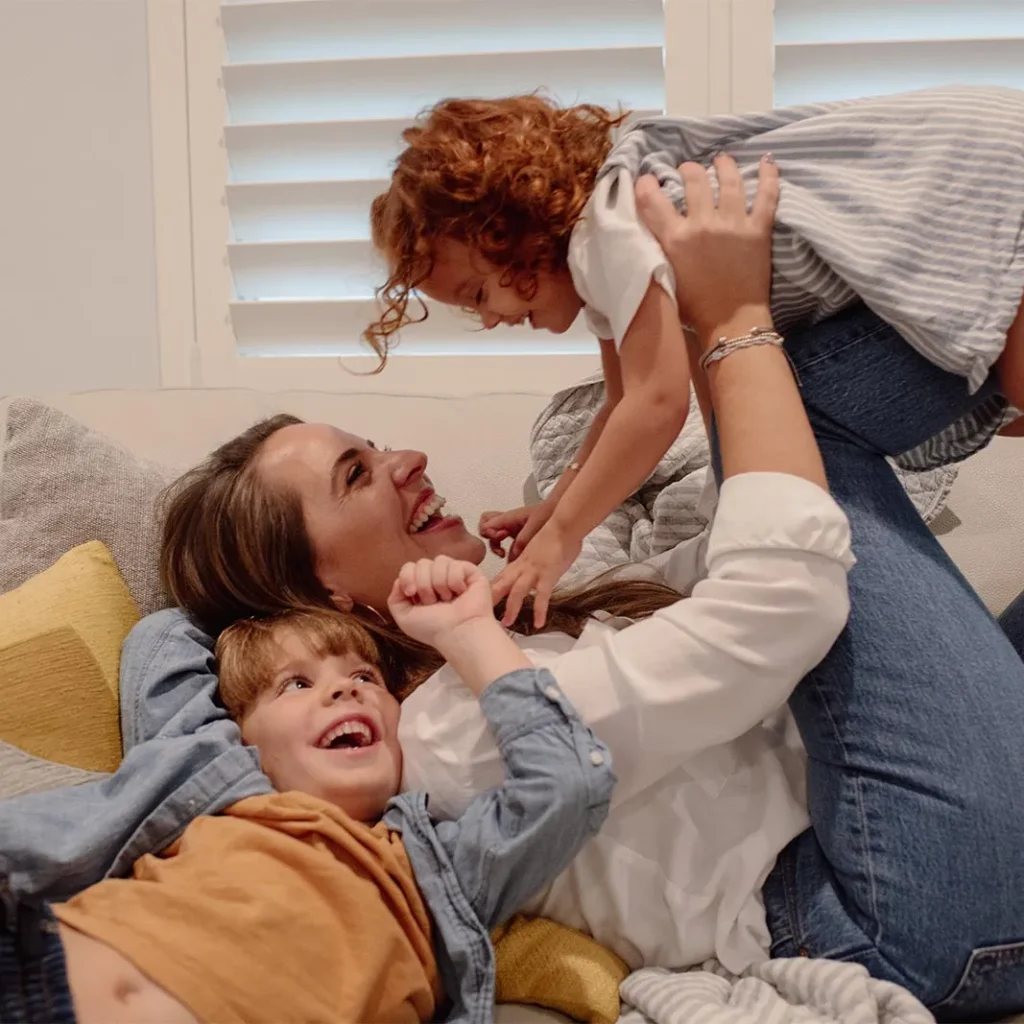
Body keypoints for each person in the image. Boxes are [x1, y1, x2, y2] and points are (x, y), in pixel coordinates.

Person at [2, 159, 1024, 1022]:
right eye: (356, 475)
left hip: (909, 846)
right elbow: (785, 597)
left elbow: (721, 599)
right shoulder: (453, 731)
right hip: (898, 904)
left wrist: (561, 533)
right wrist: (731, 318)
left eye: (370, 445)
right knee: (791, 402)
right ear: (322, 592)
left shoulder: (509, 627)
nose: (403, 457)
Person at [368, 85, 1024, 626]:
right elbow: (623, 402)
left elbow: (657, 404)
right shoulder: (607, 260)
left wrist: (561, 543)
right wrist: (554, 506)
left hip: (974, 185)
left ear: (519, 226)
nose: (489, 320)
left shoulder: (609, 231)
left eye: (480, 292)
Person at [3, 570, 614, 1024]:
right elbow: (164, 633)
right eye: (296, 684)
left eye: (365, 678)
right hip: (35, 956)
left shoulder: (437, 870)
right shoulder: (218, 786)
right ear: (241, 732)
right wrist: (294, 600)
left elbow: (566, 784)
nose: (344, 693)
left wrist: (468, 632)